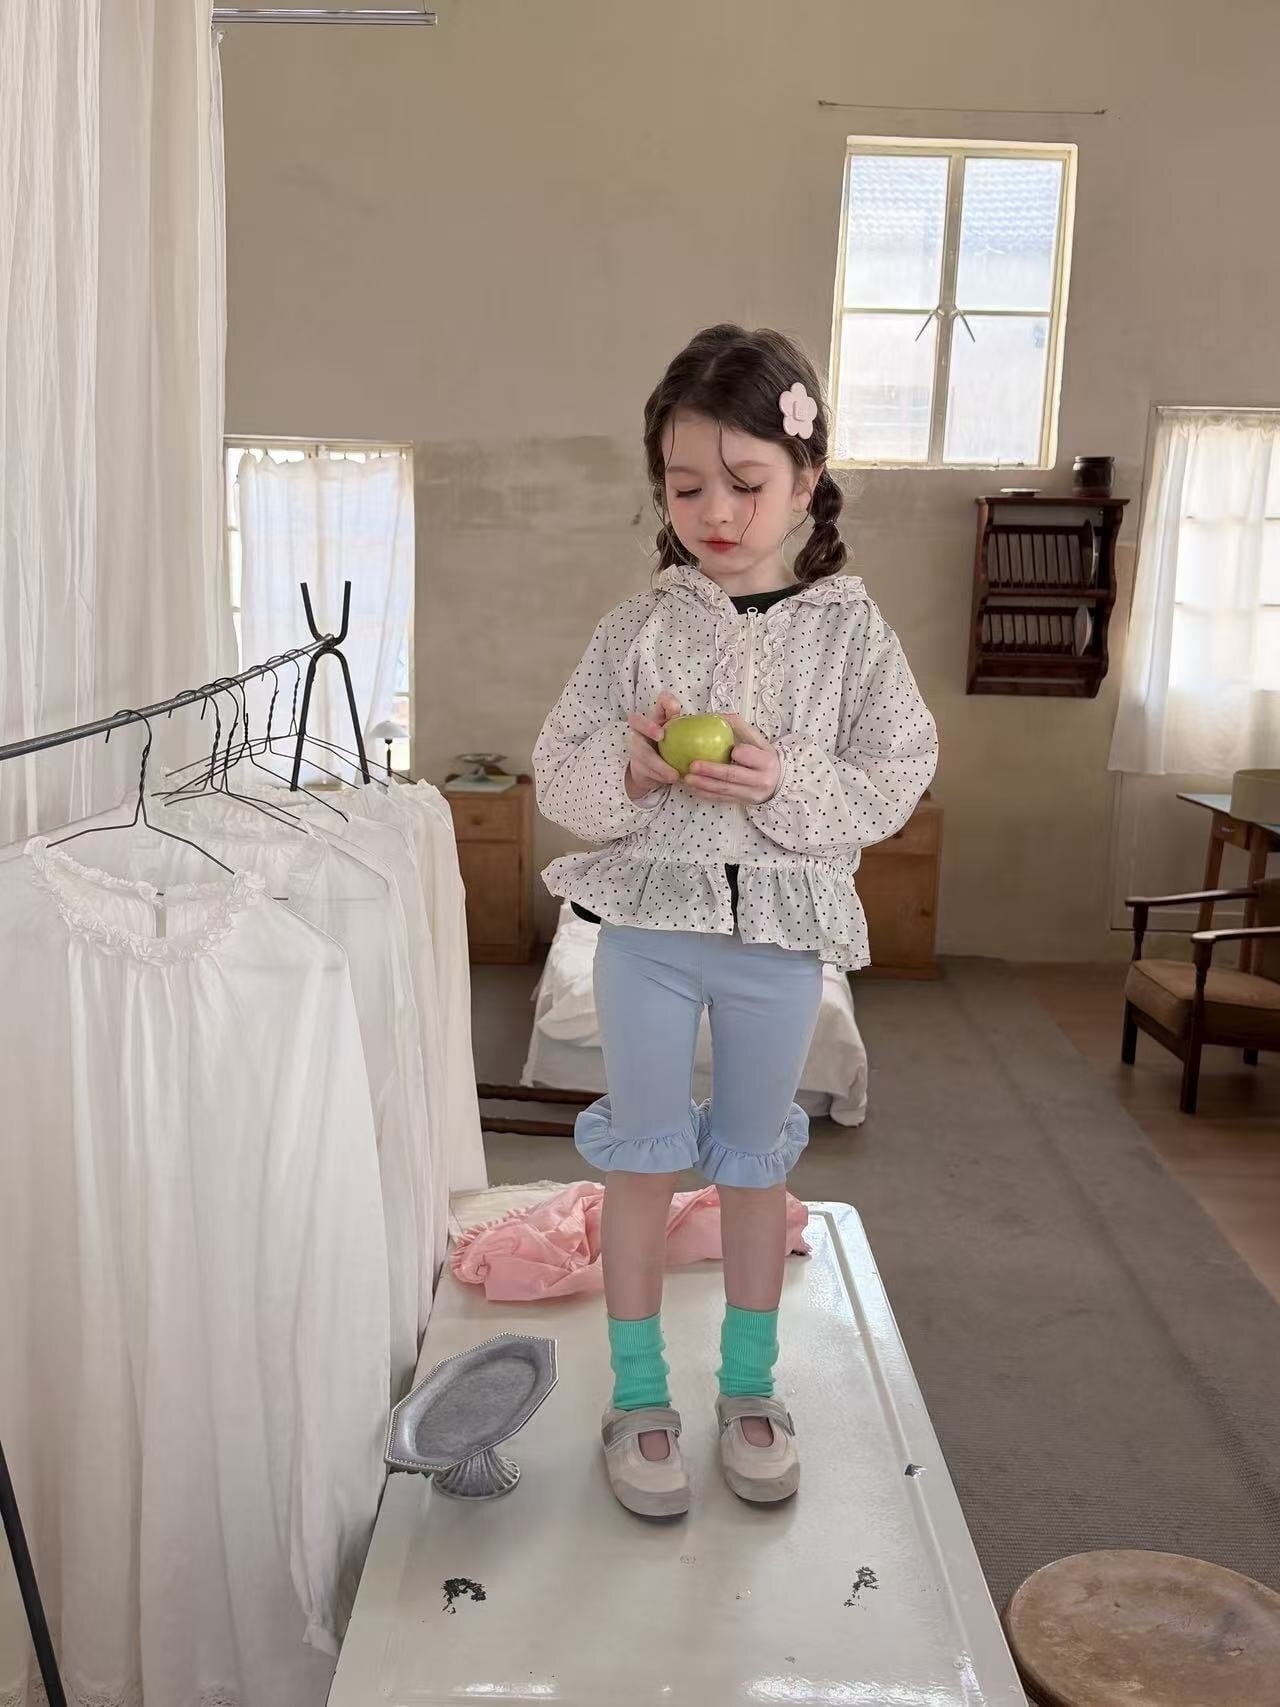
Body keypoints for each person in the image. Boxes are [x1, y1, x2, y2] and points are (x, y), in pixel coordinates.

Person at [532, 323, 938, 1517]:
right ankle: (637, 1398)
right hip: (646, 938)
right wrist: (631, 769)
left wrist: (783, 782)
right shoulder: (635, 628)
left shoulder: (850, 633)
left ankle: (751, 1388)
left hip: (779, 944)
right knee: (642, 1164)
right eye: (685, 485)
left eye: (746, 482)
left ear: (805, 481)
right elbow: (559, 770)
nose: (715, 511)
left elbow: (898, 770)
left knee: (755, 1168)